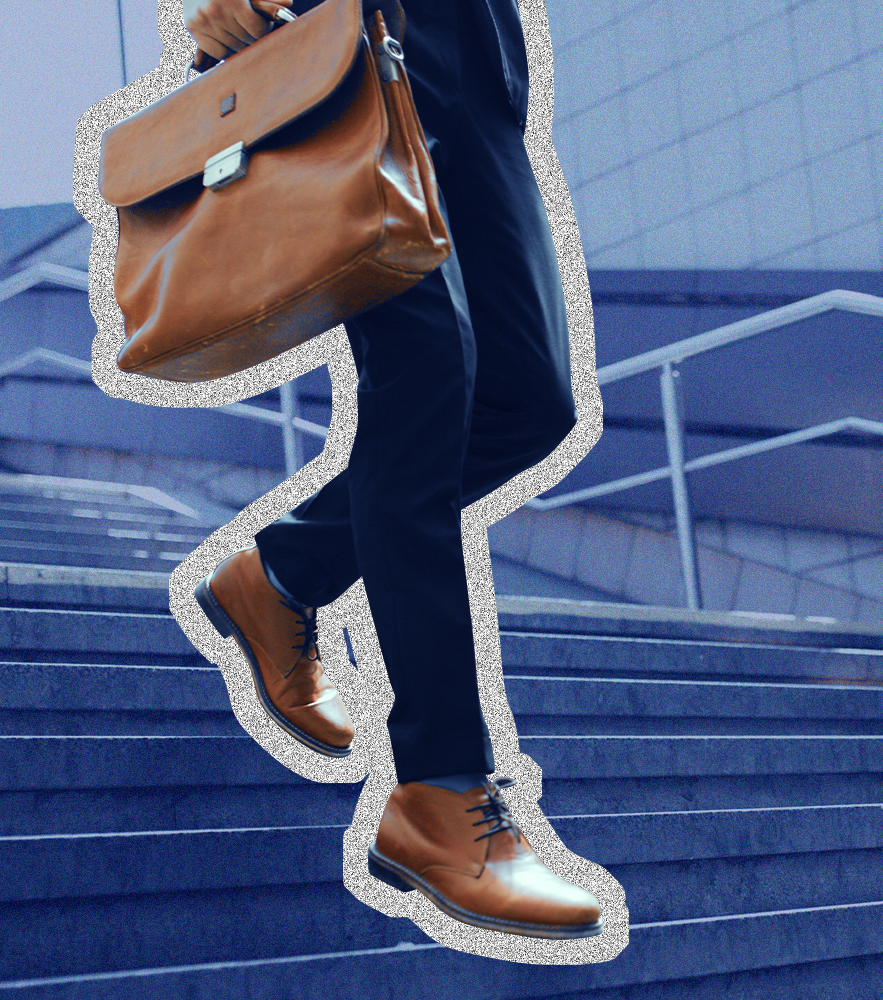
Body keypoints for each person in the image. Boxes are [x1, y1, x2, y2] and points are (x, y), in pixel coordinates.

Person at [181, 0, 604, 940]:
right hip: (343, 31)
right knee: (425, 378)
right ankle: (438, 790)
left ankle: (279, 573)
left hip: (479, 53)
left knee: (530, 402)